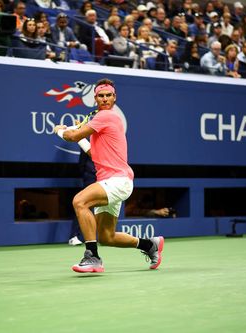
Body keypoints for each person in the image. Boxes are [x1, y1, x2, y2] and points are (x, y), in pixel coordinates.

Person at [54, 78, 164, 273]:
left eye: (108, 95)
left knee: (80, 201)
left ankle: (92, 256)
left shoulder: (107, 117)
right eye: (101, 96)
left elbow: (72, 136)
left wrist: (61, 131)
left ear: (114, 98)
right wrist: (77, 134)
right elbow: (93, 153)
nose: (104, 99)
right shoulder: (101, 122)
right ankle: (149, 245)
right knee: (106, 236)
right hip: (111, 182)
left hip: (117, 181)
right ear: (95, 98)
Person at [69, 150, 96, 246]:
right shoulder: (88, 139)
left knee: (99, 207)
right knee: (83, 204)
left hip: (104, 176)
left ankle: (95, 237)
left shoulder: (107, 139)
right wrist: (88, 173)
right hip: (91, 176)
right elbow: (82, 162)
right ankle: (75, 236)